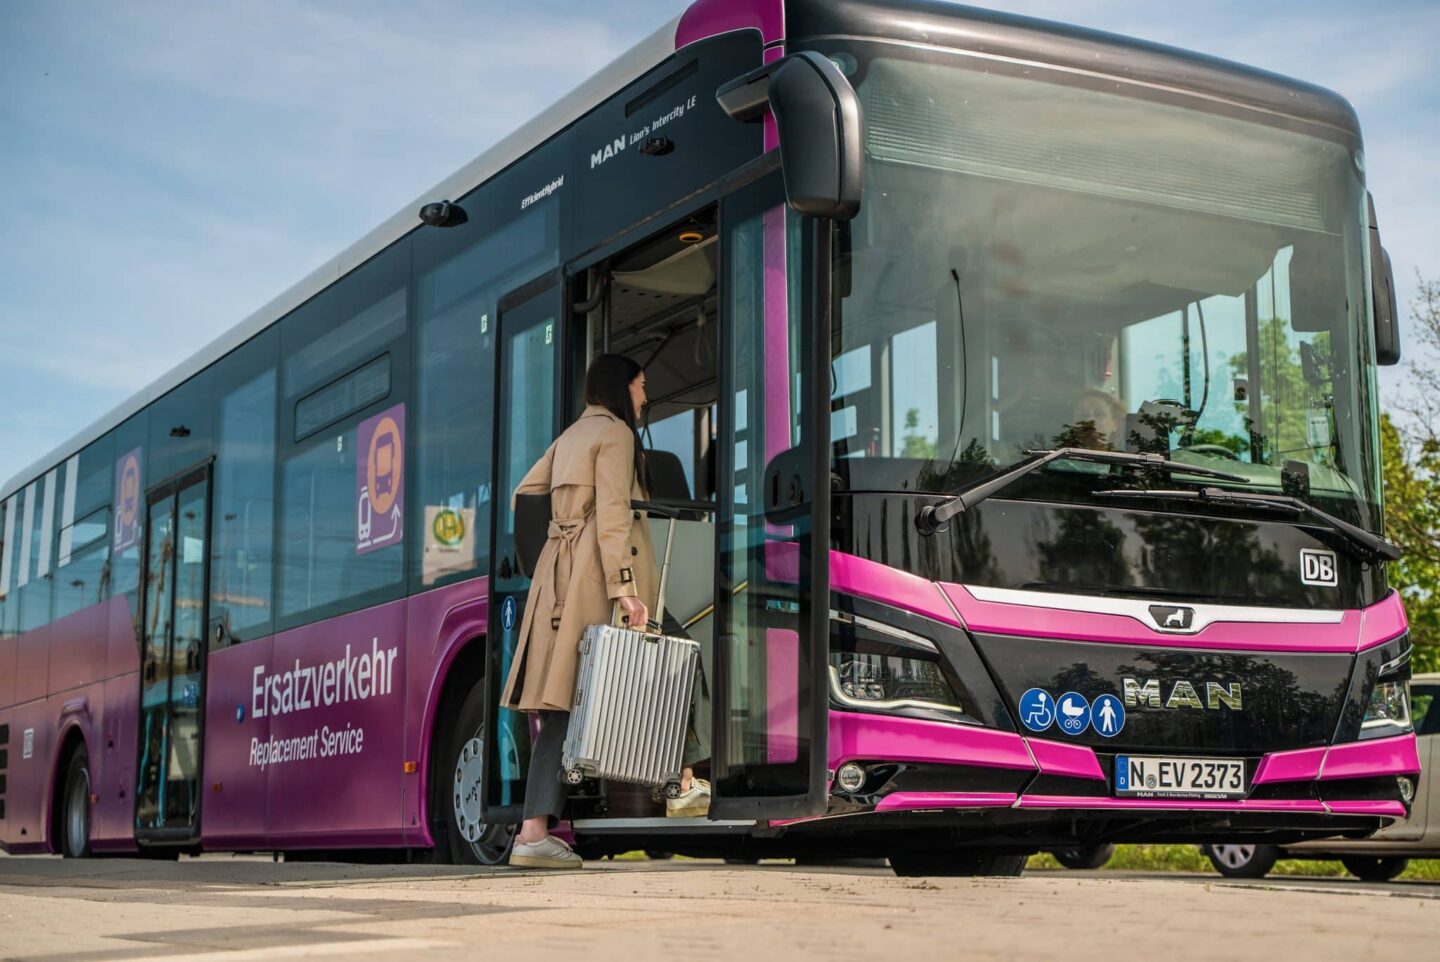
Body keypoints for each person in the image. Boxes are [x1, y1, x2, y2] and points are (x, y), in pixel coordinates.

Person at [502, 354, 708, 870]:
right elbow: (614, 514)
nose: (645, 397)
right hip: (600, 581)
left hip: (560, 581)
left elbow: (523, 496)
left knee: (561, 707)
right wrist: (625, 590)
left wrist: (551, 548)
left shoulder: (570, 436)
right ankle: (682, 781)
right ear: (621, 388)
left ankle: (532, 833)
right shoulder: (615, 435)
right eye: (641, 386)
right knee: (679, 658)